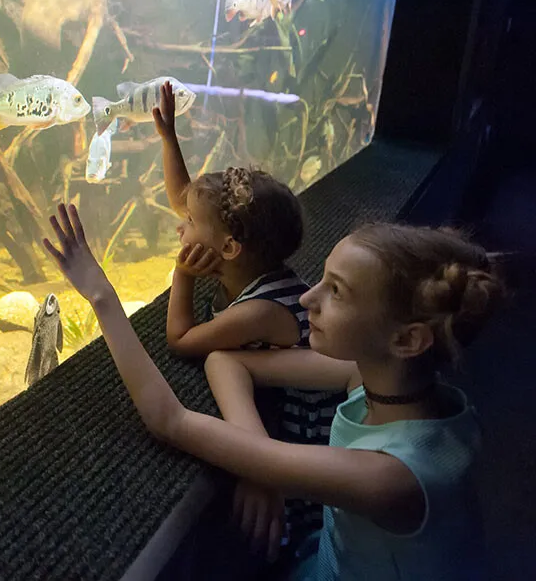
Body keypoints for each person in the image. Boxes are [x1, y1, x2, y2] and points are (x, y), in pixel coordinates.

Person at [42, 204, 502, 580]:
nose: (306, 298)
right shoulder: (388, 384)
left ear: (406, 340)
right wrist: (260, 464)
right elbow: (227, 360)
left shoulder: (388, 480)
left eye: (336, 292)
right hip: (326, 552)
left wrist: (102, 297)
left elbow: (170, 420)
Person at [153, 79, 341, 552]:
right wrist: (169, 139)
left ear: (229, 246)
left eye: (191, 227)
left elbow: (181, 340)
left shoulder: (257, 311)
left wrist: (182, 277)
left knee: (289, 536)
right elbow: (183, 197)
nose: (181, 226)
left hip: (301, 435)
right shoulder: (242, 258)